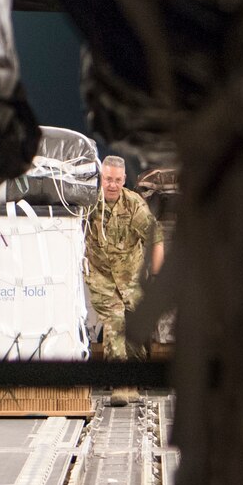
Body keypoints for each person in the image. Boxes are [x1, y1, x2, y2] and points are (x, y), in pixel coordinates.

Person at [83, 153, 163, 361]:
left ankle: (136, 377)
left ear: (124, 179)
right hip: (101, 278)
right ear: (101, 178)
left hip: (131, 277)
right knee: (115, 318)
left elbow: (155, 237)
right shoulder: (89, 204)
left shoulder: (134, 205)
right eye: (108, 179)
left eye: (117, 180)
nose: (112, 185)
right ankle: (120, 384)